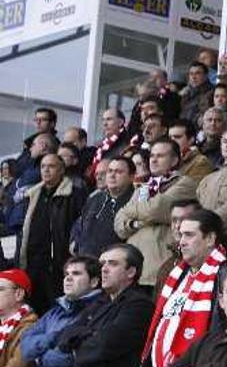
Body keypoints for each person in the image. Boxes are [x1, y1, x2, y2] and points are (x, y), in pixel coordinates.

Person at [142, 209, 227, 367]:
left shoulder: (226, 275)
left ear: (211, 238)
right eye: (180, 235)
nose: (181, 242)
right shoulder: (177, 274)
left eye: (189, 235)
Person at [59, 244, 153, 367]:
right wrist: (91, 335)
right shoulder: (99, 303)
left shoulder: (139, 305)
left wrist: (81, 342)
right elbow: (64, 338)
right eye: (102, 263)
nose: (104, 268)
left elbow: (102, 346)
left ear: (131, 272)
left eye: (113, 263)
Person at [20, 256, 104, 367]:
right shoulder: (54, 312)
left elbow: (65, 357)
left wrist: (40, 355)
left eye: (76, 273)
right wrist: (52, 339)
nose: (68, 278)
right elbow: (26, 346)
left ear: (95, 281)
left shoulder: (98, 310)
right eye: (66, 274)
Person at [115, 138, 198, 288]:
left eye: (160, 156)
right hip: (133, 270)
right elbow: (119, 224)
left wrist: (130, 210)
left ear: (174, 160)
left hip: (159, 270)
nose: (153, 160)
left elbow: (156, 209)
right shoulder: (143, 188)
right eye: (152, 156)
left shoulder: (185, 183)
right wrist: (134, 223)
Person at [20, 153, 89, 314]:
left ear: (61, 170)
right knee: (33, 310)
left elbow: (80, 227)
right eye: (43, 166)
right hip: (32, 263)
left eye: (51, 166)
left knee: (57, 309)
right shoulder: (32, 195)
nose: (46, 170)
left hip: (58, 264)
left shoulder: (74, 194)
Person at [70, 156, 136, 257]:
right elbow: (80, 225)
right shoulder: (94, 198)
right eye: (110, 171)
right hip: (87, 263)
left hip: (114, 265)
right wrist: (75, 244)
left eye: (118, 172)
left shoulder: (136, 200)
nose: (112, 175)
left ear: (131, 177)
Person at [168, 119, 215, 183]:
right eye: (170, 137)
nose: (172, 141)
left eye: (177, 137)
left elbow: (188, 189)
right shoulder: (165, 159)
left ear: (191, 139)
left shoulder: (201, 162)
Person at [90, 107, 132, 176]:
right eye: (103, 120)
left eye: (109, 119)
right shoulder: (102, 146)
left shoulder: (127, 143)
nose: (104, 123)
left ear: (121, 122)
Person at [15, 107, 57, 176]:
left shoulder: (54, 145)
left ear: (52, 123)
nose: (38, 122)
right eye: (36, 119)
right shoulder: (29, 141)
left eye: (43, 119)